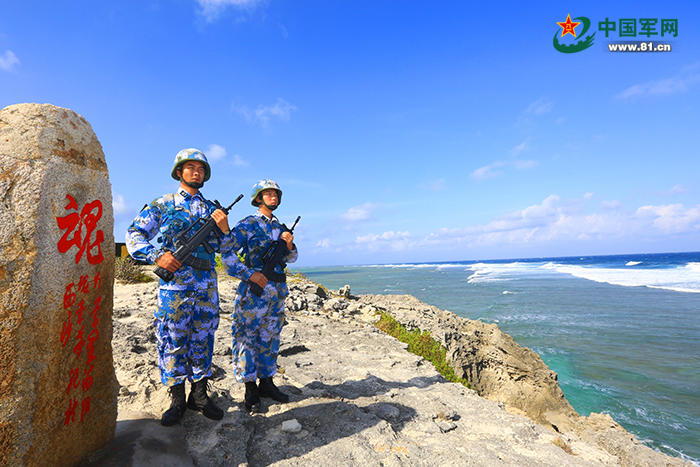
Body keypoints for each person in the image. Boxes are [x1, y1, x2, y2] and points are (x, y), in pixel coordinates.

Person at [126, 148, 233, 426]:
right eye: (190, 167)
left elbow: (227, 250)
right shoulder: (164, 203)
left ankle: (199, 395)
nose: (196, 172)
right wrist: (157, 256)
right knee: (172, 340)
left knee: (203, 337)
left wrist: (224, 229)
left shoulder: (213, 209)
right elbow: (134, 234)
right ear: (179, 172)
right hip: (174, 288)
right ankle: (176, 398)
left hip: (206, 288)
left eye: (201, 168)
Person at [222, 179, 298, 413]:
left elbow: (292, 258)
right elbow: (227, 251)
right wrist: (248, 274)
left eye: (275, 194)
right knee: (246, 337)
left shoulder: (281, 227)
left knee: (270, 336)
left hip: (276, 292)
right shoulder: (249, 224)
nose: (272, 197)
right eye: (267, 194)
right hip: (254, 292)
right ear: (258, 198)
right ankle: (250, 387)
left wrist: (289, 245)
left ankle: (267, 382)